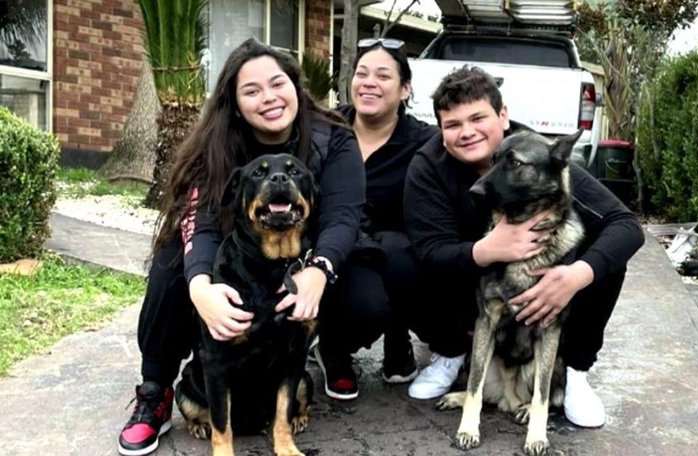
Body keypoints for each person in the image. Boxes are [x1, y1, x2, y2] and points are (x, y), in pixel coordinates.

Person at [117, 38, 365, 456]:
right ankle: (156, 390)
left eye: (277, 83)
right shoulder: (216, 143)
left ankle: (329, 355)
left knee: (366, 287)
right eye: (251, 91)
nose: (268, 97)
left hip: (307, 256)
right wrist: (201, 288)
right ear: (233, 102)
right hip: (239, 256)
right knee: (170, 262)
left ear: (296, 86)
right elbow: (201, 222)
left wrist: (318, 270)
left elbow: (343, 215)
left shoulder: (332, 138)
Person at [402, 65, 645, 428]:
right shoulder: (429, 166)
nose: (466, 132)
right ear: (440, 129)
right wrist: (488, 249)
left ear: (503, 115)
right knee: (403, 257)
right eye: (452, 125)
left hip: (543, 305)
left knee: (605, 253)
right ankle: (452, 352)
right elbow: (430, 251)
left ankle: (574, 371)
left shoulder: (541, 157)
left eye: (477, 118)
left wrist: (575, 276)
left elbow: (627, 226)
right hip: (470, 294)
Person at [313, 37, 439, 400]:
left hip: (394, 256)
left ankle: (397, 331)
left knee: (402, 253)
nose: (369, 82)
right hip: (334, 252)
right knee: (366, 305)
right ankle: (332, 347)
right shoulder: (325, 131)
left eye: (383, 76)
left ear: (404, 89)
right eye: (361, 73)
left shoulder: (424, 142)